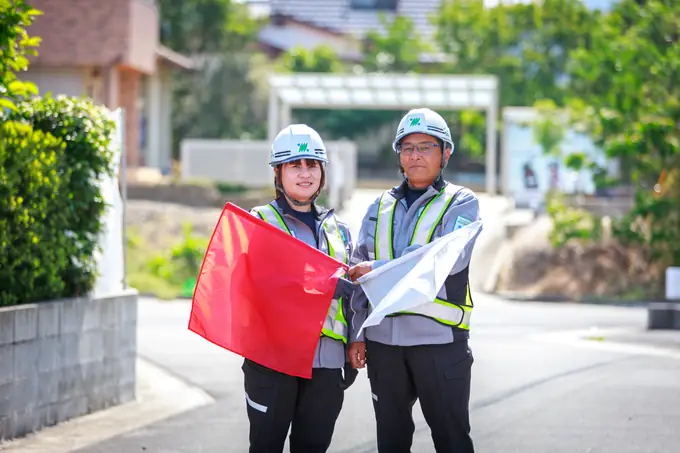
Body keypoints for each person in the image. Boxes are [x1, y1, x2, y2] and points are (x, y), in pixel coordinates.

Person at [346, 108, 480, 453]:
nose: (415, 155)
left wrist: (379, 267)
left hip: (439, 343)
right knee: (390, 442)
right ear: (399, 155)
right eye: (407, 148)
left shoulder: (461, 203)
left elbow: (448, 260)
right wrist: (358, 335)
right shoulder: (378, 207)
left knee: (452, 440)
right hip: (384, 347)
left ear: (445, 153)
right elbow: (357, 275)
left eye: (426, 146)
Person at [243, 124, 358, 453]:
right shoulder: (260, 221)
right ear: (278, 173)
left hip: (325, 362)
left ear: (323, 172)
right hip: (272, 359)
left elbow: (354, 298)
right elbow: (260, 282)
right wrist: (323, 285)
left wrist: (353, 346)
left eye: (312, 165)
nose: (305, 173)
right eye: (295, 165)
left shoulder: (341, 230)